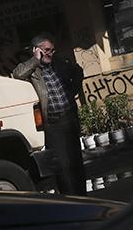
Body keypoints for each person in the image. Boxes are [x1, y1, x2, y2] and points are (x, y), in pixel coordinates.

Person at [12, 33, 87, 195]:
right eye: (47, 50)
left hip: (70, 119)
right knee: (62, 167)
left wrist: (73, 90)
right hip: (53, 125)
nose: (50, 53)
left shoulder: (59, 63)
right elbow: (17, 74)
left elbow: (78, 71)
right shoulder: (33, 69)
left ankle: (83, 197)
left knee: (76, 163)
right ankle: (71, 200)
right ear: (36, 50)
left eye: (52, 50)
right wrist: (35, 60)